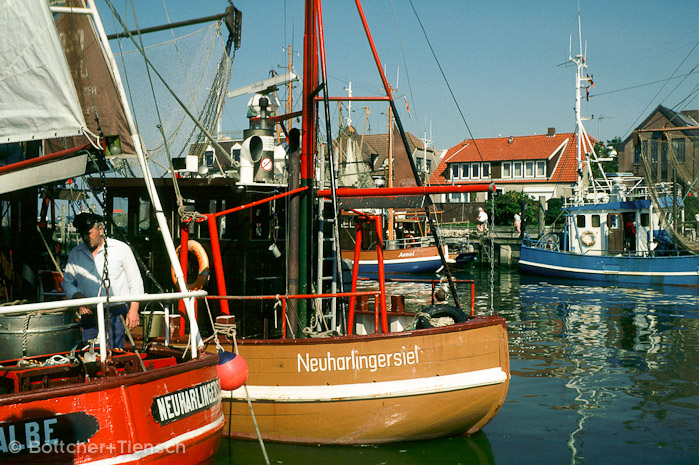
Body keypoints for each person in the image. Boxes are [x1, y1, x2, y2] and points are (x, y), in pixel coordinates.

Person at [62, 213, 143, 349]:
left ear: (100, 230)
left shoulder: (121, 249)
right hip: (89, 313)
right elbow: (67, 282)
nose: (86, 238)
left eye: (89, 233)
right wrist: (78, 297)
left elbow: (135, 280)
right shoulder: (76, 253)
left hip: (116, 312)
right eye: (82, 234)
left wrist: (134, 309)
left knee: (115, 352)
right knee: (90, 353)